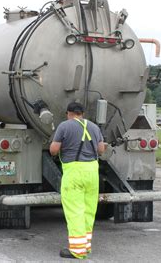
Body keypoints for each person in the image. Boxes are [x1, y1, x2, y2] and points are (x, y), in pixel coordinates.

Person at [49, 101, 106, 259]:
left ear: (69, 113)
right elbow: (101, 150)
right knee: (89, 211)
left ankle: (77, 250)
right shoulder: (94, 127)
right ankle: (85, 246)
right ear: (82, 113)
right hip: (92, 172)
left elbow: (53, 151)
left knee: (75, 212)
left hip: (74, 172)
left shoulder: (64, 126)